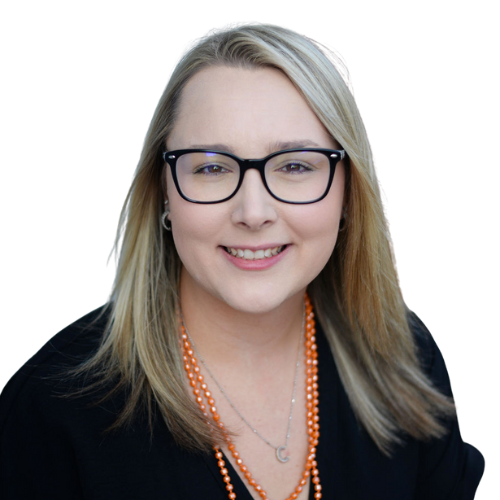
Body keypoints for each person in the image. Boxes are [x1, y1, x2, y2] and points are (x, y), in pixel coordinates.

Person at [0, 24, 484, 500]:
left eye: (295, 165)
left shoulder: (403, 356)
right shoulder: (50, 410)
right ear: (164, 192)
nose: (253, 213)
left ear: (348, 192)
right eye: (211, 167)